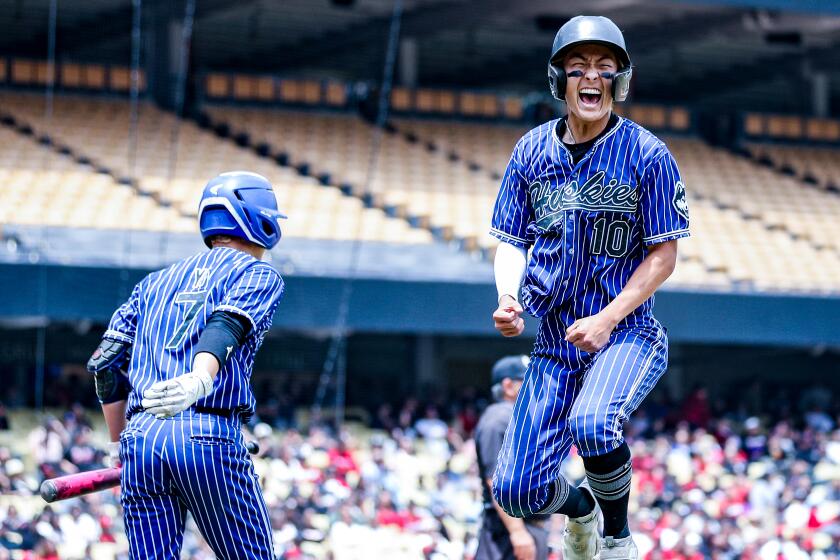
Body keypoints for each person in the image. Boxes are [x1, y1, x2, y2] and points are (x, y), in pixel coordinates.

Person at [489, 15, 689, 560]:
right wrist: (509, 296)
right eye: (578, 68)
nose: (591, 78)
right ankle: (581, 510)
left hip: (626, 333)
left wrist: (606, 318)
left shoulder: (647, 154)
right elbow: (510, 238)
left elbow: (664, 254)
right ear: (560, 82)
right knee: (514, 490)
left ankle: (618, 537)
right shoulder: (531, 151)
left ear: (620, 80)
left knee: (594, 422)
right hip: (554, 344)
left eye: (604, 67)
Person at [86, 171, 286, 558]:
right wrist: (198, 378)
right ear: (261, 218)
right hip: (205, 432)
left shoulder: (151, 283)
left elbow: (104, 365)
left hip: (139, 441)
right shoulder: (258, 273)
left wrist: (117, 446)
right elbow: (226, 325)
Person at [474, 356, 548, 560]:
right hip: (509, 533)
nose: (536, 387)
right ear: (508, 386)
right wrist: (517, 531)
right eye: (528, 381)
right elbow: (495, 481)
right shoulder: (499, 419)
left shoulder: (518, 417)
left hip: (528, 527)